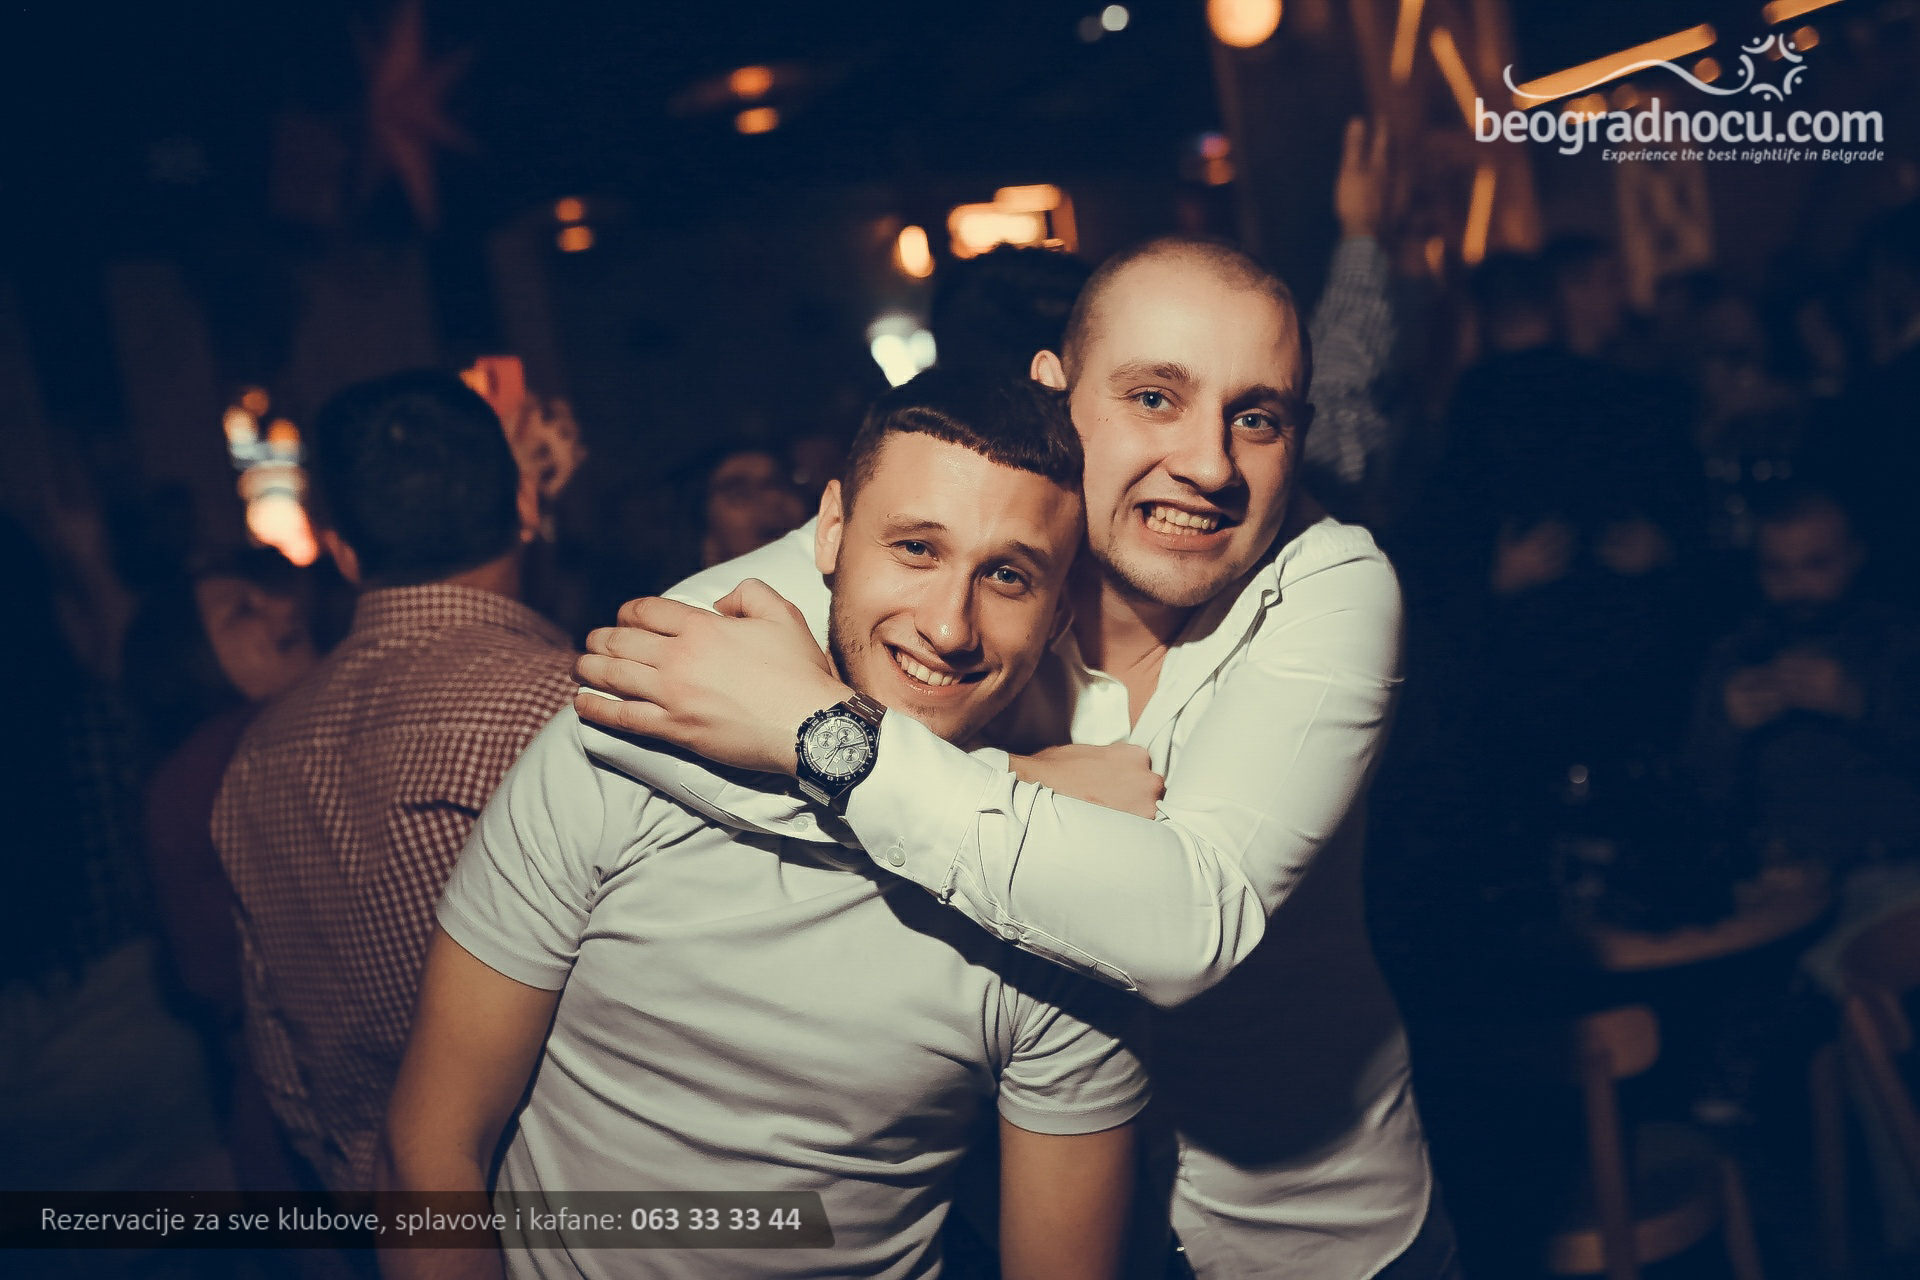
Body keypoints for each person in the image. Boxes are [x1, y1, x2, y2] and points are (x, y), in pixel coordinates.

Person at [576, 237, 1453, 1279]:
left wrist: (822, 736)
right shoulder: (950, 528)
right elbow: (649, 690)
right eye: (1155, 398)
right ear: (1054, 392)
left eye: (1256, 418)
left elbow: (1192, 921)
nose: (1211, 464)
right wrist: (1018, 781)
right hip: (1012, 1219)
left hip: (1307, 1240)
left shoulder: (1331, 585)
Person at [384, 370, 1147, 1280]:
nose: (949, 626)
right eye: (915, 548)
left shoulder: (1058, 892)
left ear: (1058, 617)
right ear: (831, 532)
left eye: (1008, 577)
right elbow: (432, 1149)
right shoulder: (618, 753)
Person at [212, 369, 576, 1196]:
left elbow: (284, 1069)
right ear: (522, 505)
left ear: (340, 551)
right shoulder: (579, 710)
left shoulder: (257, 757)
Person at [1688, 485, 1920, 873]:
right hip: (1780, 876)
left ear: (1855, 556)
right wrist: (1726, 730)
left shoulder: (1901, 641)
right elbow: (1699, 800)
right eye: (1776, 568)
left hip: (1895, 868)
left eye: (1816, 564)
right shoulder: (1737, 654)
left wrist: (1861, 703)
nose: (1796, 585)